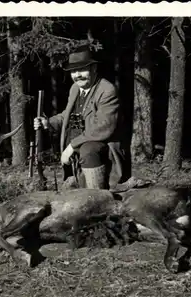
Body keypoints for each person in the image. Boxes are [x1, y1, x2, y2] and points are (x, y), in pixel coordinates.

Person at [34, 45, 127, 190]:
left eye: (82, 70)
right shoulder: (75, 88)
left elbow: (104, 127)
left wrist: (72, 145)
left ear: (94, 68)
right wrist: (48, 123)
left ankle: (97, 196)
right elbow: (68, 114)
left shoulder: (107, 90)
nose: (77, 75)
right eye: (73, 71)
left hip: (102, 149)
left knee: (88, 149)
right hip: (80, 146)